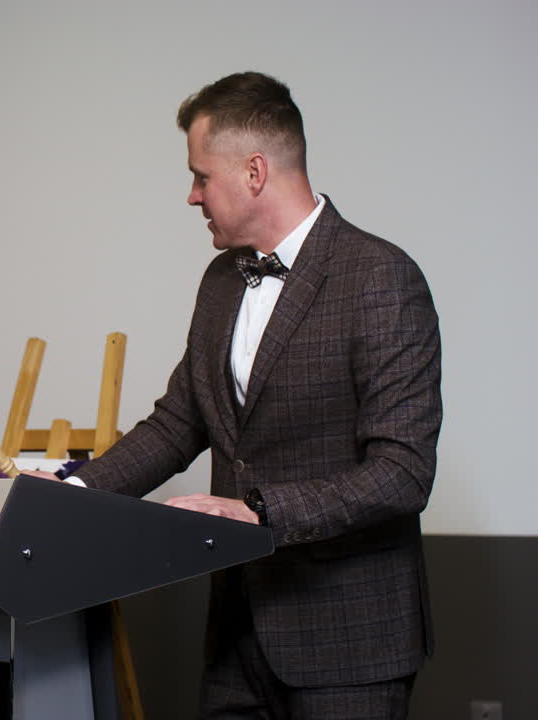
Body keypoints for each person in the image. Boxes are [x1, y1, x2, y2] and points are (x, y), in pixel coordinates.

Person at [52, 72, 442, 719]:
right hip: (235, 637)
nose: (191, 196)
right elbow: (178, 424)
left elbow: (402, 474)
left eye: (201, 176)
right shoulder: (220, 281)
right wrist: (70, 497)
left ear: (254, 172)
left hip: (349, 645)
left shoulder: (381, 276)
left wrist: (258, 512)